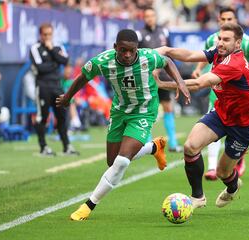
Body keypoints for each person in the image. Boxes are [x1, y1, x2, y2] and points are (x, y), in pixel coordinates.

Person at [55, 29, 190, 221]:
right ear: (115, 48)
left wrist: (181, 83)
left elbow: (167, 60)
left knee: (121, 162)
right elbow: (84, 76)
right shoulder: (103, 61)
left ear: (137, 49)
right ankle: (154, 147)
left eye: (131, 51)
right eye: (123, 50)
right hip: (119, 112)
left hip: (143, 111)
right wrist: (68, 97)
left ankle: (88, 205)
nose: (127, 55)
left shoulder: (147, 57)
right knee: (112, 162)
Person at [156, 23, 249, 209]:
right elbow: (189, 56)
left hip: (244, 124)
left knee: (223, 172)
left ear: (238, 43)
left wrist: (164, 84)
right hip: (222, 113)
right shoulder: (219, 52)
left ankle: (232, 186)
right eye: (220, 38)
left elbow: (198, 84)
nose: (220, 43)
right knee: (190, 146)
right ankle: (198, 197)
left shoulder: (234, 64)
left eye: (226, 40)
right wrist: (166, 50)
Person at [191, 7, 249, 180]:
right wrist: (197, 69)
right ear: (219, 21)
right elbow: (204, 56)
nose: (226, 22)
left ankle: (237, 157)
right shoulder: (213, 39)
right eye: (223, 19)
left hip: (240, 95)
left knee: (236, 130)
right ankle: (211, 167)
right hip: (217, 88)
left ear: (236, 21)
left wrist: (246, 80)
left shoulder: (246, 41)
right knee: (213, 123)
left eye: (230, 19)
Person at [136, 7, 183, 152]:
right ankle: (149, 144)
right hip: (147, 78)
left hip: (163, 77)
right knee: (148, 109)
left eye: (152, 16)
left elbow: (169, 53)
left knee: (168, 107)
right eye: (147, 16)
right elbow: (136, 57)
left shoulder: (164, 32)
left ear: (156, 17)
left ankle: (173, 144)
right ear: (144, 18)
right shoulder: (140, 35)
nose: (150, 18)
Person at [30, 23, 78, 156]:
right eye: (45, 34)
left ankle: (66, 146)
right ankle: (43, 147)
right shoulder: (35, 48)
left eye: (49, 34)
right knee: (43, 117)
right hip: (43, 86)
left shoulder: (57, 47)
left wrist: (52, 51)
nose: (47, 37)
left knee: (62, 116)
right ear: (40, 35)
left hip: (57, 86)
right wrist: (55, 63)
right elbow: (40, 68)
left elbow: (66, 60)